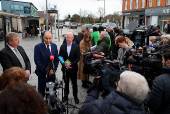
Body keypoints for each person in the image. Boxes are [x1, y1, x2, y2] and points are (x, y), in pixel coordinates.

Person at [79, 71, 149, 114]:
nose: (116, 85)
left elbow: (83, 110)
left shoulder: (99, 106)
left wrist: (94, 90)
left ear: (122, 91)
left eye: (118, 84)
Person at [145, 48, 170, 114]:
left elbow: (153, 105)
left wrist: (148, 94)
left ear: (168, 61)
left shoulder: (160, 81)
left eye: (163, 60)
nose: (162, 62)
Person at [34, 31, 59, 97]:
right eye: (46, 38)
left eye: (49, 38)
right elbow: (37, 61)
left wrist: (53, 70)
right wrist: (46, 71)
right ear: (43, 38)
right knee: (41, 92)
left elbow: (56, 59)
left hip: (52, 74)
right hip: (42, 74)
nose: (48, 40)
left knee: (52, 91)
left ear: (52, 38)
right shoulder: (38, 47)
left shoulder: (54, 46)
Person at [59, 32, 80, 104]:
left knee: (74, 83)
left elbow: (78, 58)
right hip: (65, 69)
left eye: (69, 37)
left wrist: (71, 64)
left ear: (72, 38)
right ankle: (65, 95)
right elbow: (60, 56)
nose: (67, 38)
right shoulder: (62, 46)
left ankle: (75, 96)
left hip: (73, 68)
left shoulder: (76, 46)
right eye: (66, 37)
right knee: (66, 83)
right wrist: (65, 64)